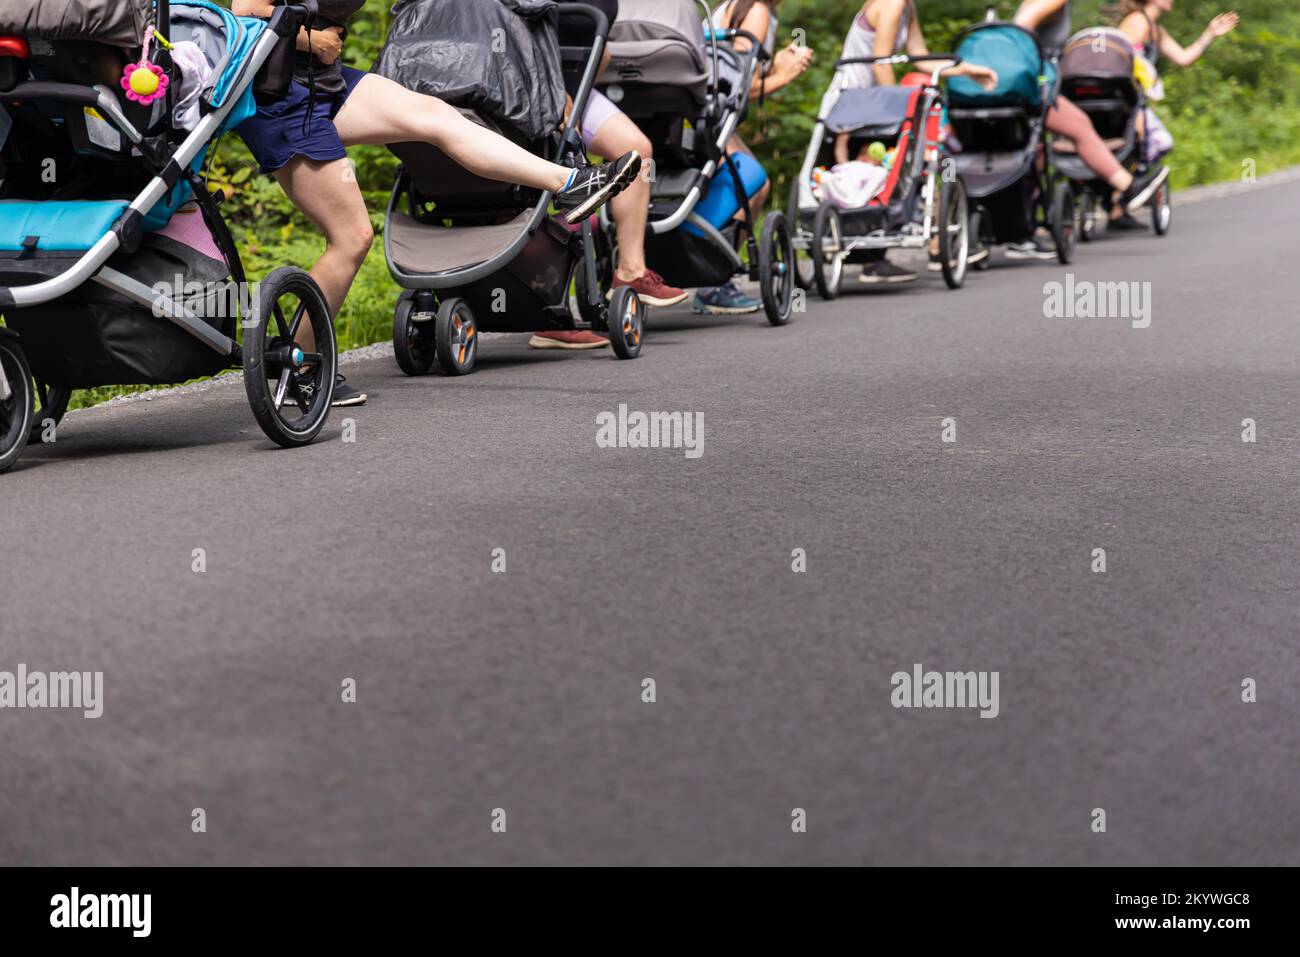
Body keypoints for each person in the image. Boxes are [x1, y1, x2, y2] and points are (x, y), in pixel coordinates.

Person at [232, 0, 642, 402]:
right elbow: (245, 12)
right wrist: (313, 40)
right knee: (352, 237)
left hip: (323, 81)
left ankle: (570, 183)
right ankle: (300, 367)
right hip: (279, 97)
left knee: (436, 116)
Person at [531, 0, 688, 352]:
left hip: (575, 90)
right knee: (547, 170)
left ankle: (631, 271)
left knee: (636, 151)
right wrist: (554, 89)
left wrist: (582, 78)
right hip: (529, 87)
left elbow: (598, 48)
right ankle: (542, 303)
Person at [833, 1, 999, 280]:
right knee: (893, 163)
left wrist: (965, 69)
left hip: (868, 101)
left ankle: (877, 255)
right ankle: (873, 251)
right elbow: (881, 63)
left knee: (887, 171)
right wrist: (899, 115)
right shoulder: (892, 3)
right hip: (856, 101)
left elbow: (919, 57)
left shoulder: (906, 7)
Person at [1012, 0, 1170, 257]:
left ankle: (1019, 228)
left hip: (1032, 81)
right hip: (1032, 83)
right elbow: (1019, 30)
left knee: (1037, 149)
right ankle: (1127, 187)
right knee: (1079, 126)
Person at [692, 0, 813, 315]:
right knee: (753, 185)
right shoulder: (757, 11)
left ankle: (707, 270)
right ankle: (712, 281)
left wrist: (775, 64)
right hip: (712, 117)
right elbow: (739, 85)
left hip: (699, 110)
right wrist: (783, 78)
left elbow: (734, 66)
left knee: (756, 184)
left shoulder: (736, 7)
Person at [1113, 1, 1239, 228]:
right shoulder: (1137, 22)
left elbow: (1183, 58)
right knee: (1155, 141)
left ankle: (1119, 204)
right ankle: (1122, 197)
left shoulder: (1155, 29)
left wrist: (1210, 33)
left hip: (1136, 101)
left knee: (1149, 144)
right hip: (1123, 100)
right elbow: (1119, 61)